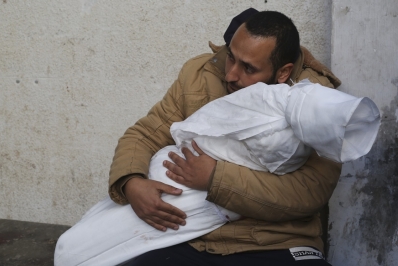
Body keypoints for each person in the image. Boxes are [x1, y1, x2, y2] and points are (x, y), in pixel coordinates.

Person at [57, 10, 345, 266]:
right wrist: (131, 182)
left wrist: (214, 178)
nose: (231, 74)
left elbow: (309, 192)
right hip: (192, 237)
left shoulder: (318, 103)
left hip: (276, 240)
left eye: (248, 68)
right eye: (231, 56)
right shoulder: (200, 73)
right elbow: (144, 134)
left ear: (282, 72)